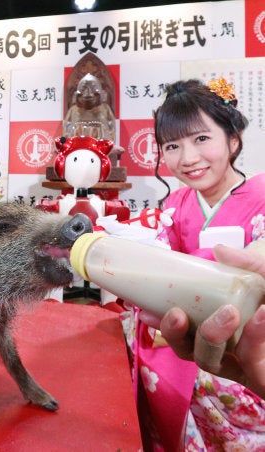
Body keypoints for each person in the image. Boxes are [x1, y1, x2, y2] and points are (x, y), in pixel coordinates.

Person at [121, 78, 265, 450]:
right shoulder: (176, 205)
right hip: (188, 339)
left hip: (249, 351)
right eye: (172, 146)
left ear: (233, 138)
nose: (187, 158)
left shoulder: (263, 194)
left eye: (202, 139)